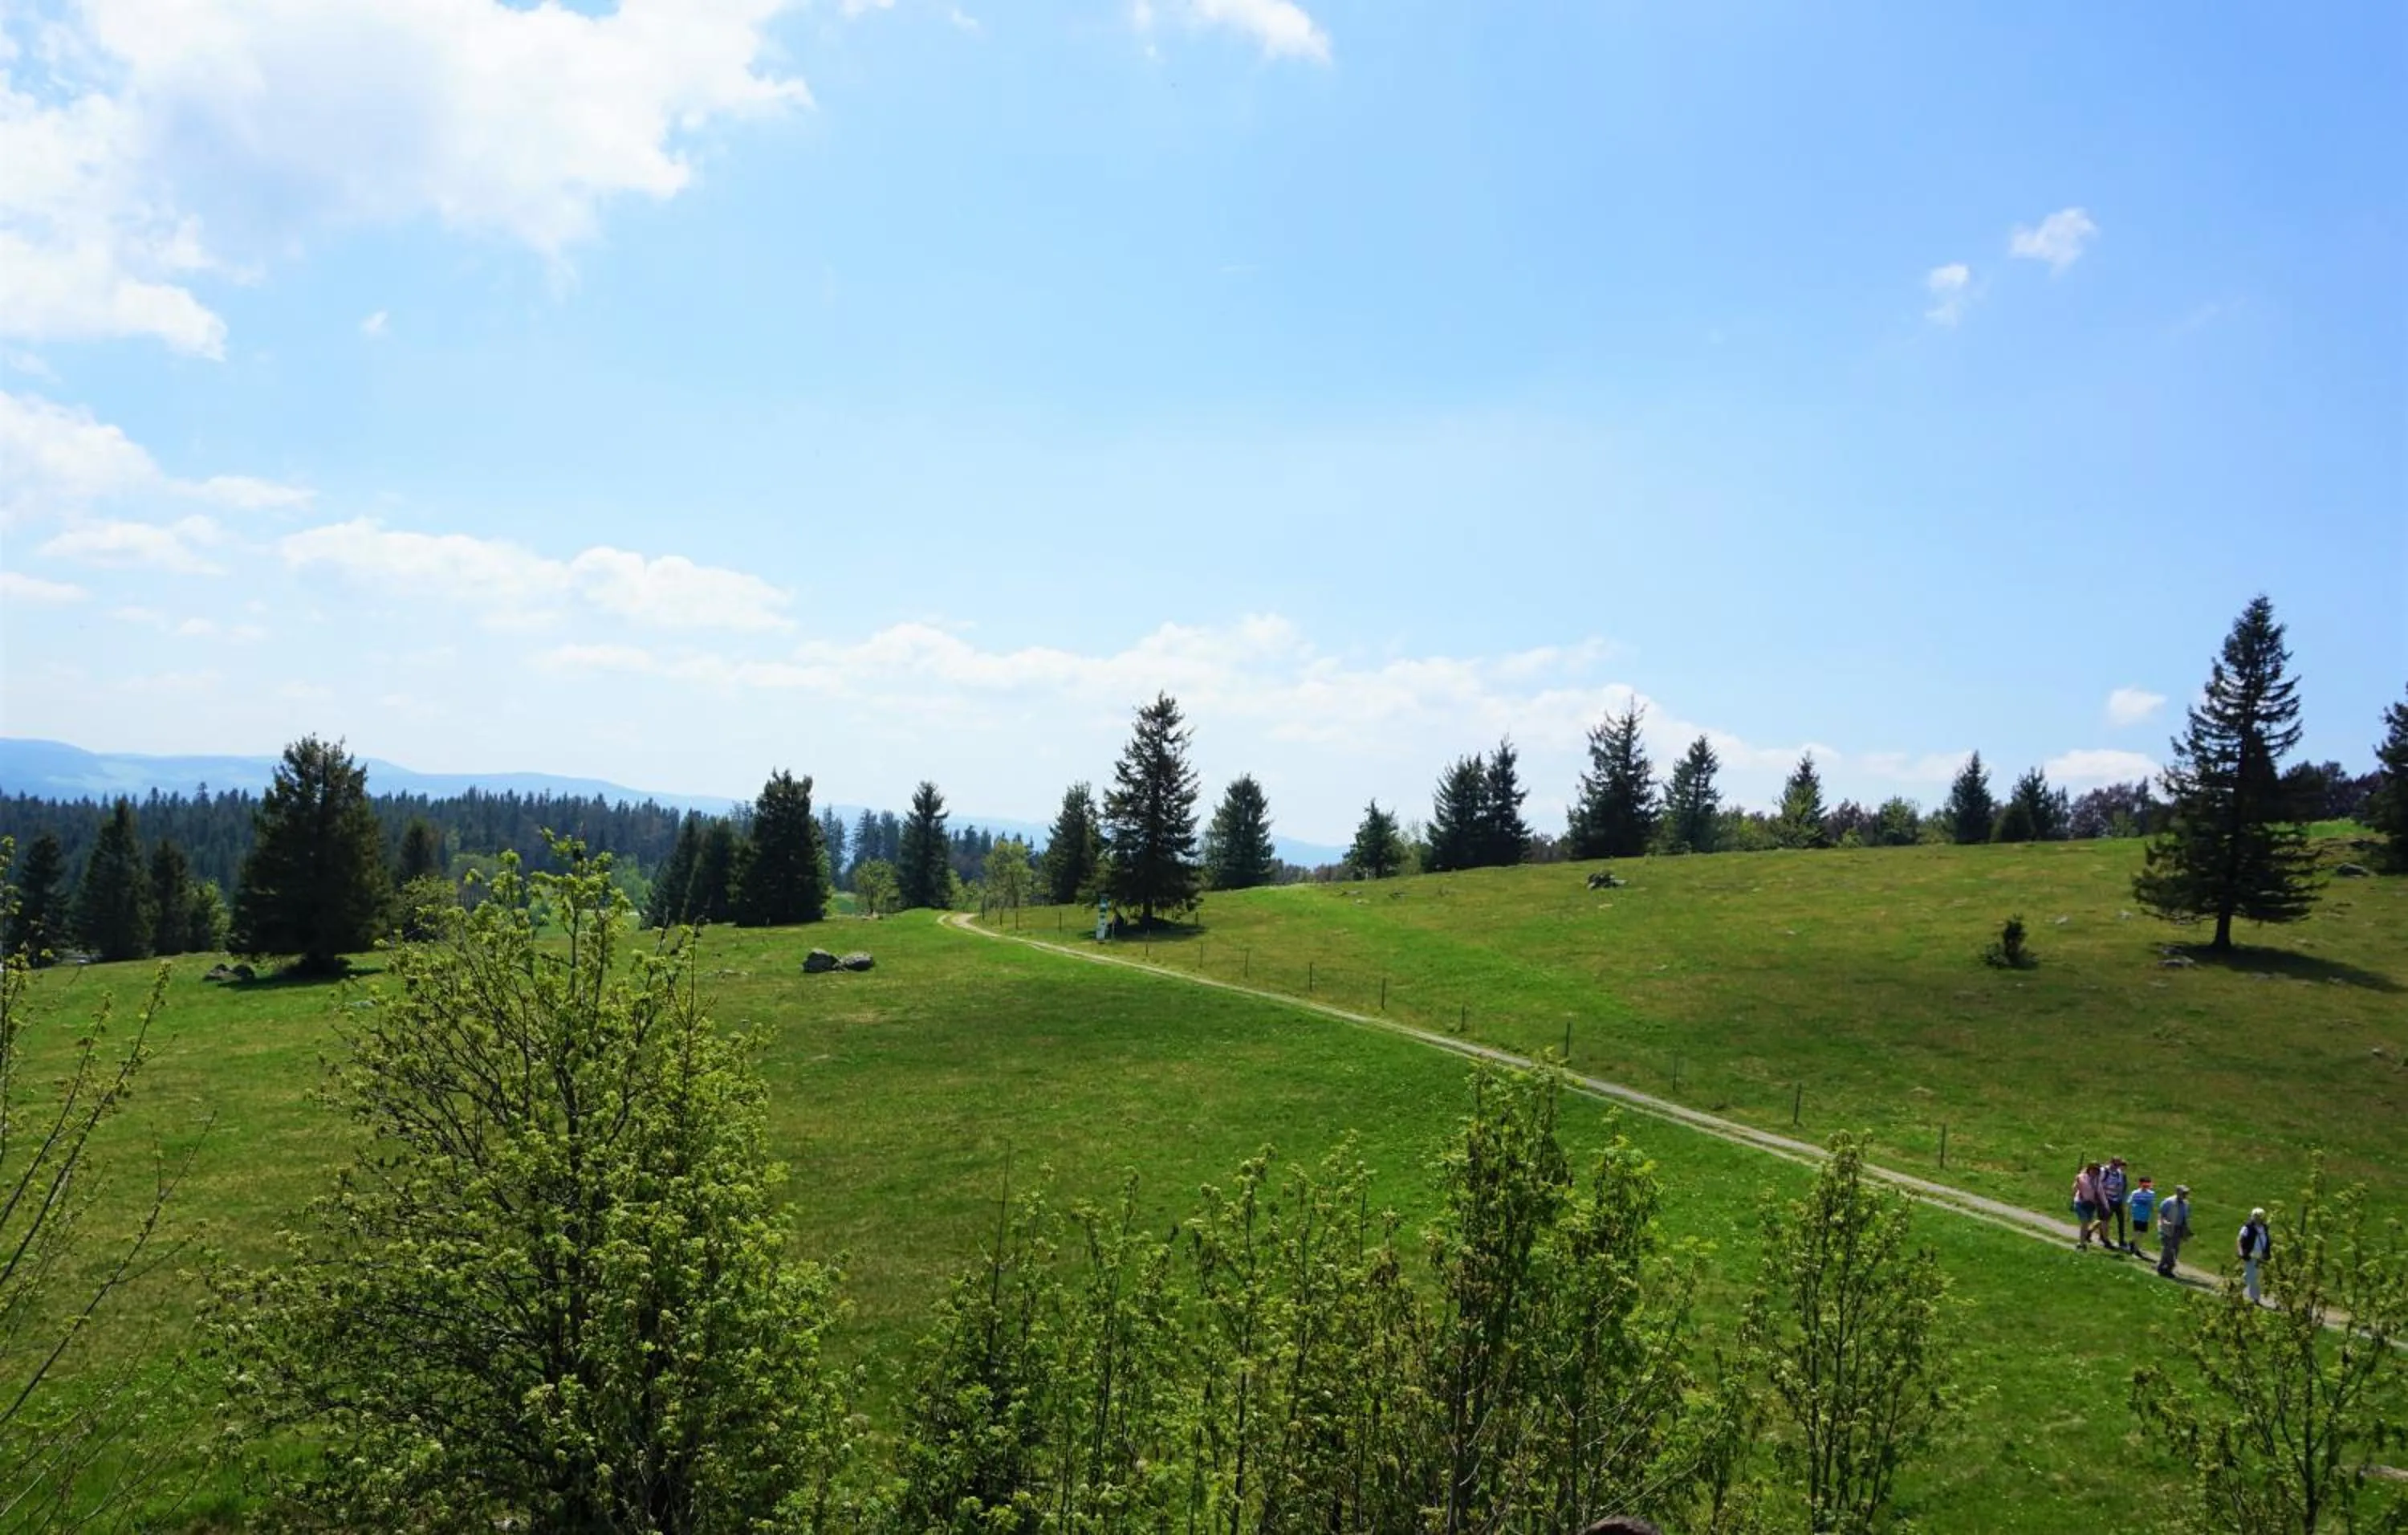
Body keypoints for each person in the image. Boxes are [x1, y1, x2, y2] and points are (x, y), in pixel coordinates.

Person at [2157, 1184, 2192, 1278]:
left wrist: (2187, 1229)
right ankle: (2164, 1267)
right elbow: (2161, 1215)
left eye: (2186, 1193)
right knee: (2168, 1249)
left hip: (2178, 1229)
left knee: (2175, 1249)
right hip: (2167, 1228)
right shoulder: (2169, 1202)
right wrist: (2165, 1223)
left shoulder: (2186, 1204)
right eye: (2183, 1193)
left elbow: (2186, 1217)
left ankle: (2166, 1268)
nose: (2185, 1195)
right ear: (2178, 1192)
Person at [2239, 1207, 2272, 1304]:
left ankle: (2236, 1288)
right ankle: (2255, 1298)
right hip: (2250, 1254)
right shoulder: (2247, 1227)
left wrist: (2267, 1253)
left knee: (2253, 1275)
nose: (2258, 1218)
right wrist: (2241, 1252)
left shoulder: (2265, 1228)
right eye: (2256, 1216)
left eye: (2259, 1216)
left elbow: (2267, 1241)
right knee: (2253, 1276)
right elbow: (2240, 1240)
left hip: (2260, 1255)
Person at [2101, 1157, 2131, 1253]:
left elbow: (2122, 1187)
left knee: (2120, 1220)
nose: (2117, 1167)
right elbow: (2099, 1184)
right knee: (2105, 1220)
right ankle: (2105, 1240)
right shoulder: (2104, 1171)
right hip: (2106, 1199)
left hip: (2117, 1200)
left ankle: (2121, 1241)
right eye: (2116, 1164)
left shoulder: (2119, 1173)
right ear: (2111, 1162)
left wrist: (2122, 1199)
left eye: (2119, 1165)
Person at [2072, 1162, 2103, 1250]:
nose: (2095, 1172)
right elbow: (2074, 1189)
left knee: (2087, 1223)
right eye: (2093, 1170)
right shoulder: (2082, 1177)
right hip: (2081, 1203)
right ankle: (2082, 1244)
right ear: (2089, 1169)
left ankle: (2081, 1242)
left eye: (2097, 1170)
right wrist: (2076, 1182)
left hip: (2091, 1204)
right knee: (2084, 1222)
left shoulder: (2097, 1180)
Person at [2128, 1177, 2158, 1256]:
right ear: (2140, 1184)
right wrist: (2128, 1215)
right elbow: (2130, 1204)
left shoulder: (2151, 1194)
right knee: (2137, 1232)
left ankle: (2133, 1244)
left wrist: (2152, 1216)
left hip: (2145, 1216)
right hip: (2136, 1215)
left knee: (2141, 1234)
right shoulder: (2135, 1193)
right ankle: (2135, 1250)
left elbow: (2151, 1205)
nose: (2146, 1186)